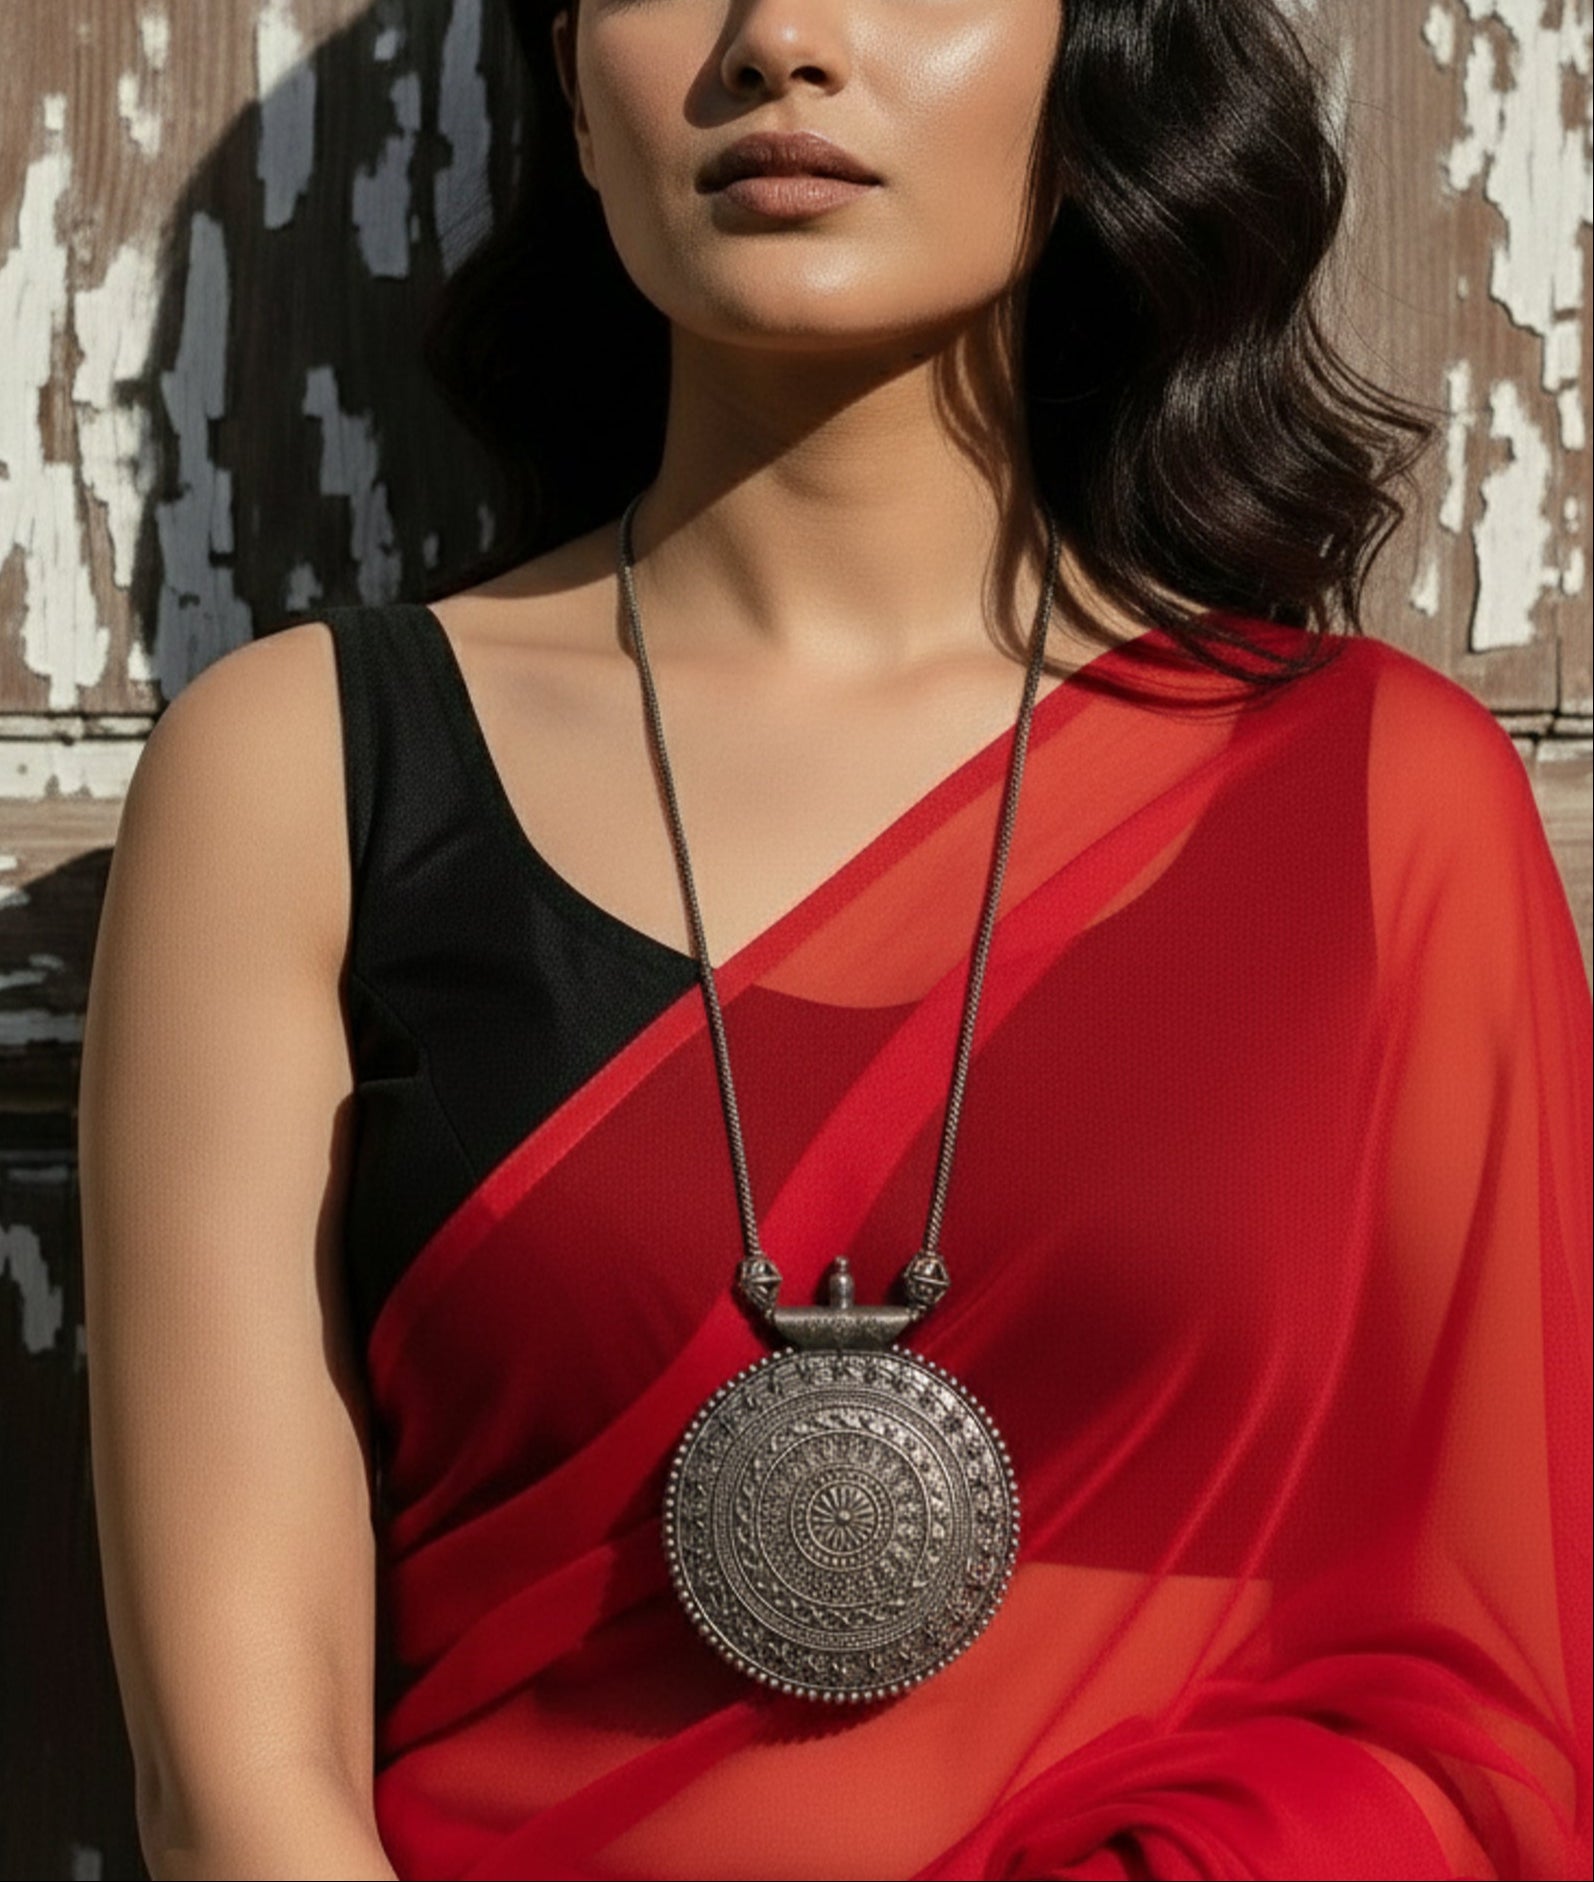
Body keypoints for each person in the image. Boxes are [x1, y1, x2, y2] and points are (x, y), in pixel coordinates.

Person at [80, 1, 1591, 1877]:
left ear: (1096, 60)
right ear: (567, 75)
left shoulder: (1377, 798)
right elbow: (238, 1795)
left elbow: (1478, 1704)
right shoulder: (303, 769)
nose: (777, 37)